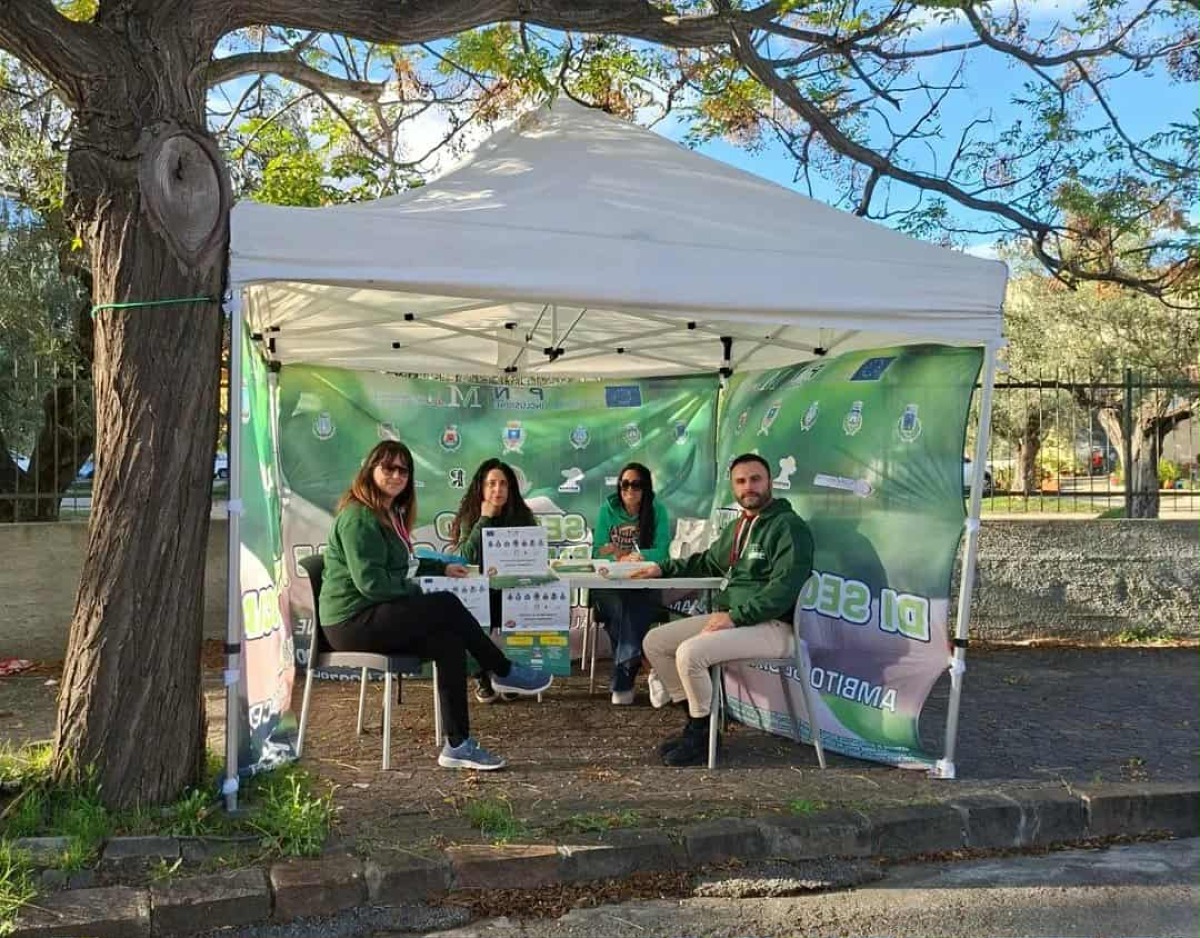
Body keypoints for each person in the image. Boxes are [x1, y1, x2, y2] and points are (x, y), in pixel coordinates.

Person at [319, 441, 552, 771]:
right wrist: (417, 590)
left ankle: (458, 745)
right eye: (388, 468)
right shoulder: (359, 517)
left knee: (448, 640)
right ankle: (501, 669)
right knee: (445, 604)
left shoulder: (389, 513)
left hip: (374, 614)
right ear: (370, 470)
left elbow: (406, 564)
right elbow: (372, 584)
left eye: (403, 470)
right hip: (351, 622)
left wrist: (440, 568)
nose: (396, 475)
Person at [632, 453, 814, 767]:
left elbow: (784, 590)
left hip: (774, 626)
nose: (748, 487)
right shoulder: (739, 526)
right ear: (733, 487)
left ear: (770, 482)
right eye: (740, 481)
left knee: (690, 653)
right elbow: (707, 561)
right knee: (655, 642)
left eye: (755, 479)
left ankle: (700, 737)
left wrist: (734, 617)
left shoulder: (789, 527)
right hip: (737, 620)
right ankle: (701, 725)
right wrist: (661, 568)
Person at [449, 458, 538, 704]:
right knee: (470, 614)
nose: (497, 490)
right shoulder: (471, 516)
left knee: (525, 606)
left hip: (511, 589)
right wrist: (484, 519)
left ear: (511, 488)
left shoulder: (522, 516)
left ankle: (511, 673)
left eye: (503, 484)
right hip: (480, 590)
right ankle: (480, 675)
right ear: (481, 487)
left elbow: (534, 556)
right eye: (491, 484)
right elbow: (464, 558)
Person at [592, 462, 672, 705]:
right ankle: (648, 664)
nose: (629, 489)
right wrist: (618, 558)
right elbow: (597, 551)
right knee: (625, 609)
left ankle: (623, 682)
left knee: (629, 609)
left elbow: (663, 552)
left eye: (636, 484)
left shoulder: (658, 511)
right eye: (624, 484)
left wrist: (639, 556)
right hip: (609, 584)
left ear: (646, 488)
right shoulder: (607, 510)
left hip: (643, 581)